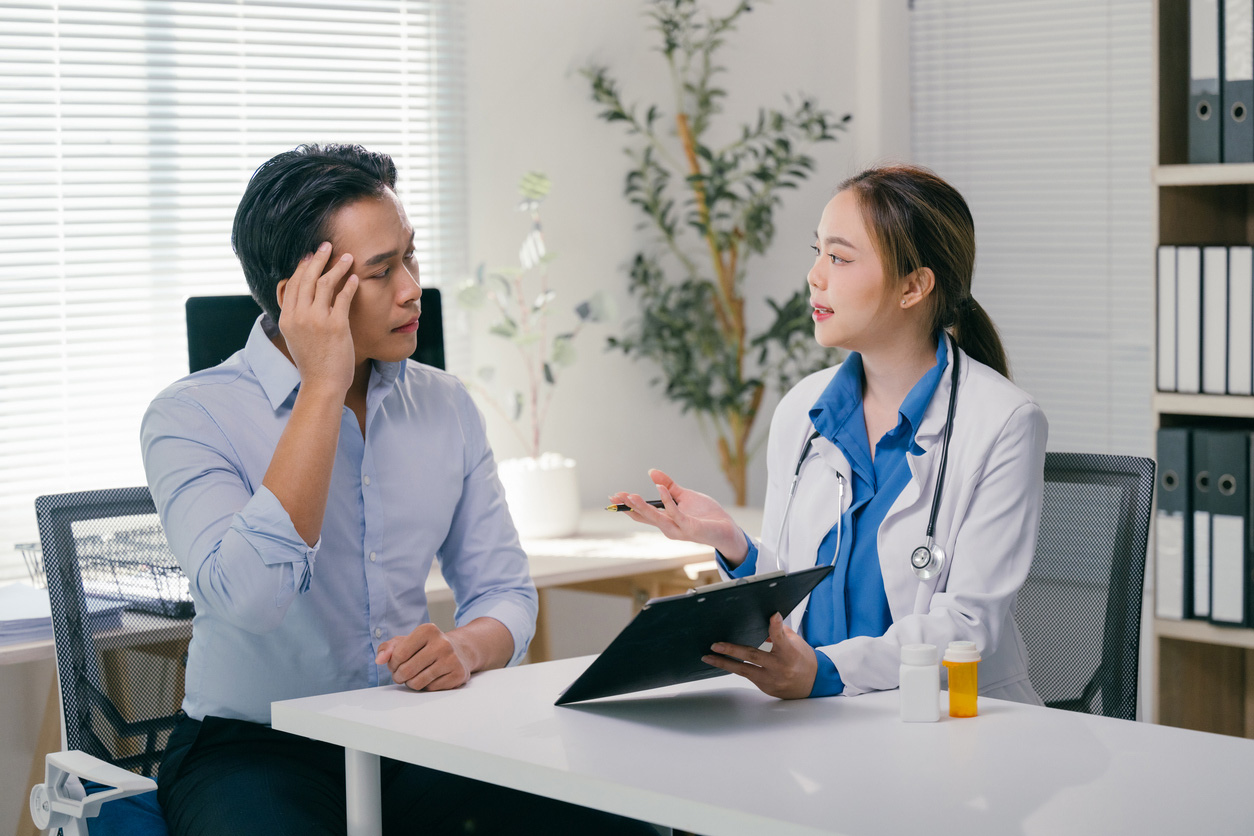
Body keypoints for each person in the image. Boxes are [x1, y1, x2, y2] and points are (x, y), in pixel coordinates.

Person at [142, 144, 653, 835]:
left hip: (410, 734)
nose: (412, 288)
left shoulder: (445, 405)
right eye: (382, 272)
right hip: (253, 751)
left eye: (409, 258)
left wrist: (466, 647)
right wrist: (322, 386)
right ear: (302, 292)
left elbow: (505, 591)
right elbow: (254, 602)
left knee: (619, 824)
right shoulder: (189, 416)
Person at [611, 164, 1047, 704]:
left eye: (839, 258)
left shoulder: (1004, 422)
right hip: (820, 719)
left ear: (914, 285)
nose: (815, 276)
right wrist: (734, 544)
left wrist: (824, 672)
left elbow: (966, 625)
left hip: (943, 722)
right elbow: (800, 594)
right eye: (817, 252)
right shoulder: (805, 410)